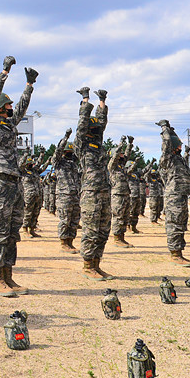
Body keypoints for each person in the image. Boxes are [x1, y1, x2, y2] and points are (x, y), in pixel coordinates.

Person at [0, 57, 36, 296]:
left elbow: (22, 108)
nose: (12, 108)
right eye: (8, 105)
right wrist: (5, 72)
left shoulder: (7, 126)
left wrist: (29, 86)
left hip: (15, 182)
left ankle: (9, 276)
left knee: (13, 232)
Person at [75, 87, 114, 280]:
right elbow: (82, 125)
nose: (98, 130)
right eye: (95, 129)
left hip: (104, 192)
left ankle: (97, 265)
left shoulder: (98, 145)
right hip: (90, 193)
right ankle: (87, 266)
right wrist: (85, 99)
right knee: (90, 231)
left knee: (103, 230)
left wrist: (102, 102)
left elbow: (102, 122)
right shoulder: (82, 145)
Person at [157, 120, 190, 267]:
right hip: (173, 196)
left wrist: (172, 131)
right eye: (178, 145)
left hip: (181, 195)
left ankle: (179, 252)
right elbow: (167, 143)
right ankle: (175, 254)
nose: (180, 146)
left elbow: (174, 141)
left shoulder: (178, 158)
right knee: (174, 225)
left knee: (181, 224)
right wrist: (165, 129)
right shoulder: (167, 159)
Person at [52, 129, 80, 254]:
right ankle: (64, 242)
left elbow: (79, 150)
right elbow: (57, 152)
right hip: (64, 195)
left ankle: (70, 242)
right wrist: (65, 138)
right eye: (67, 152)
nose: (69, 154)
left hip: (75, 194)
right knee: (65, 219)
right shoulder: (58, 163)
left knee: (74, 220)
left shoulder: (73, 163)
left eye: (70, 152)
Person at [109, 137, 133, 248]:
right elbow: (114, 158)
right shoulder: (112, 166)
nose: (123, 156)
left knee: (125, 216)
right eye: (120, 154)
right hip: (117, 195)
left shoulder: (121, 167)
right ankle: (117, 238)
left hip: (126, 193)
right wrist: (121, 144)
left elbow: (127, 155)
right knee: (118, 216)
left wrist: (130, 145)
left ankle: (122, 237)